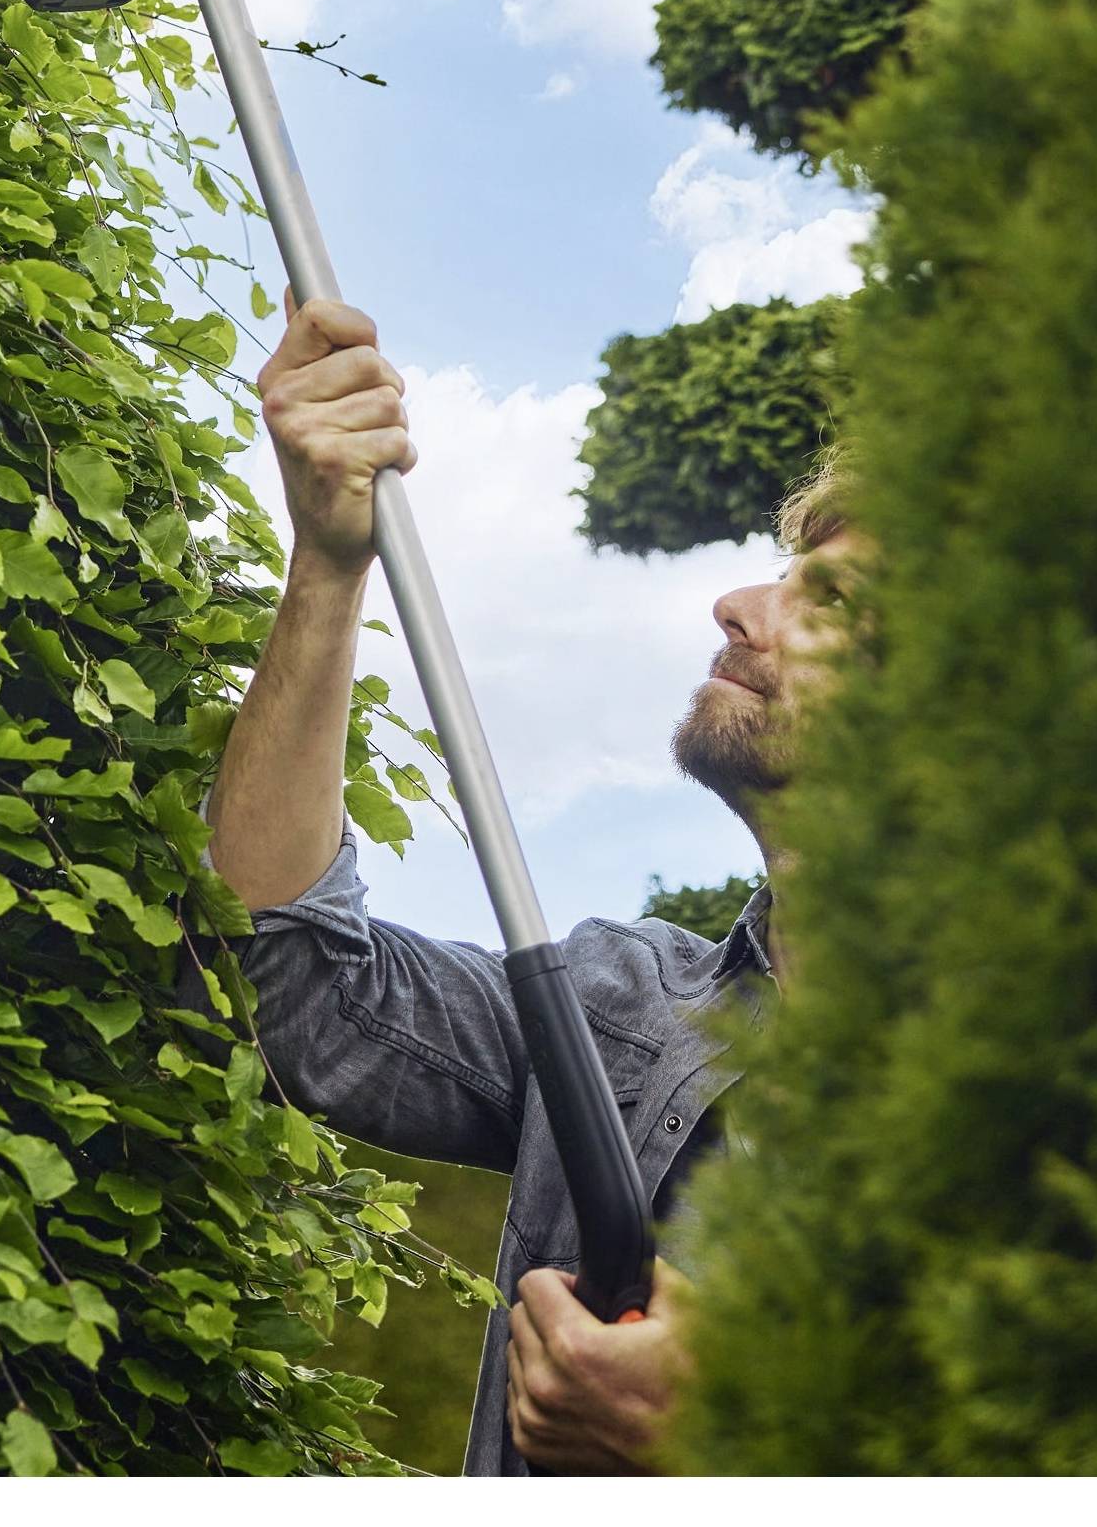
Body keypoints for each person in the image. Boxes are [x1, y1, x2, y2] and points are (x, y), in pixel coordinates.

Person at [208, 296, 863, 1476]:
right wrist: (325, 562)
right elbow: (296, 985)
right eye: (785, 573)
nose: (739, 605)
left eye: (836, 604)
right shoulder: (616, 1003)